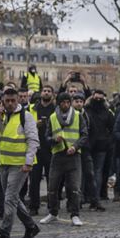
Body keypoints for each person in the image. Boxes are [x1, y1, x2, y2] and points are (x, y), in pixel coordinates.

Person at [0, 87, 40, 238]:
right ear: (2, 101)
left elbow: (33, 140)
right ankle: (31, 227)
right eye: (7, 101)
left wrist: (28, 162)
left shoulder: (26, 116)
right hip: (4, 163)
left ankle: (3, 235)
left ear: (17, 100)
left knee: (9, 199)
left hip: (20, 165)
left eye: (13, 101)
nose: (10, 104)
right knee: (13, 198)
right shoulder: (2, 116)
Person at [44, 93, 88, 225]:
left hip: (73, 155)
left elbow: (84, 135)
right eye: (63, 102)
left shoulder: (78, 116)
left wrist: (75, 147)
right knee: (52, 187)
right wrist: (53, 140)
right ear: (58, 103)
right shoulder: (52, 117)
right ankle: (53, 212)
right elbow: (46, 137)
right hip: (57, 155)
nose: (66, 105)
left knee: (74, 187)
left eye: (68, 102)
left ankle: (75, 214)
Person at [27, 85, 57, 216]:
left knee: (52, 180)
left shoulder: (56, 110)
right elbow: (26, 126)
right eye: (44, 91)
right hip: (36, 148)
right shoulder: (32, 108)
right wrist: (36, 125)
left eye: (49, 91)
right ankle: (34, 206)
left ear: (52, 94)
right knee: (34, 179)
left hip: (51, 148)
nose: (46, 93)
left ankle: (52, 206)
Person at [84, 89, 114, 210]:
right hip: (93, 145)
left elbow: (112, 128)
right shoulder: (105, 111)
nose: (98, 100)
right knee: (94, 173)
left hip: (97, 145)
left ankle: (93, 198)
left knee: (94, 173)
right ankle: (92, 198)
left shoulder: (88, 110)